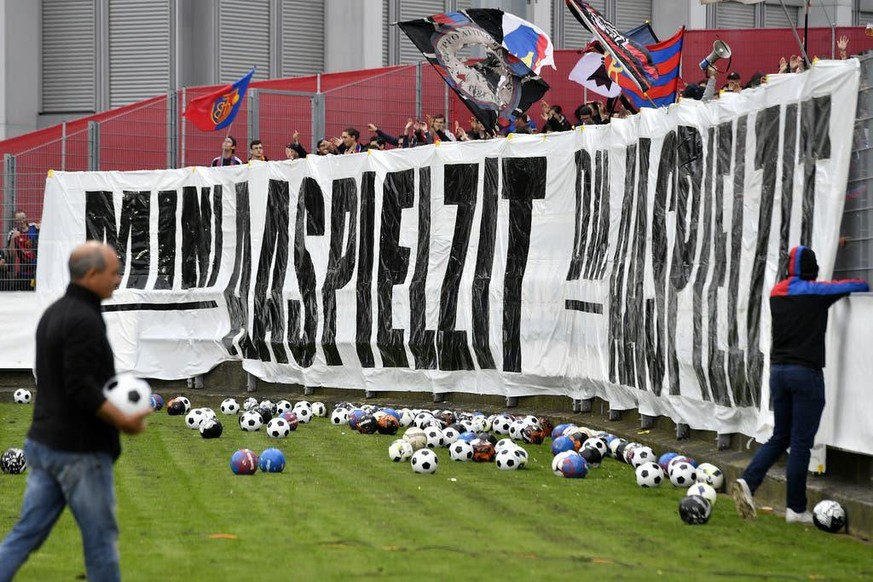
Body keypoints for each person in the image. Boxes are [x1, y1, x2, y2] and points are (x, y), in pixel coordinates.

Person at [0, 241, 151, 581]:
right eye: (114, 273)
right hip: (78, 453)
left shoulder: (54, 313)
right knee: (100, 543)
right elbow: (79, 387)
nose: (118, 280)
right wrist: (124, 420)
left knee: (25, 534)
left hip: (44, 445)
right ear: (92, 274)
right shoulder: (83, 321)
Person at [732, 246, 869, 524]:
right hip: (806, 375)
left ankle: (748, 481)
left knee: (780, 436)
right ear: (812, 269)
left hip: (779, 372)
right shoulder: (815, 292)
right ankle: (796, 509)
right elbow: (857, 284)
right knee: (801, 442)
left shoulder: (777, 292)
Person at [7, 210, 39, 291]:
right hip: (25, 271)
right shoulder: (13, 233)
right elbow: (11, 254)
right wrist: (13, 239)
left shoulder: (34, 228)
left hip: (39, 269)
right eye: (19, 219)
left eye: (23, 218)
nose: (22, 221)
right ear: (15, 221)